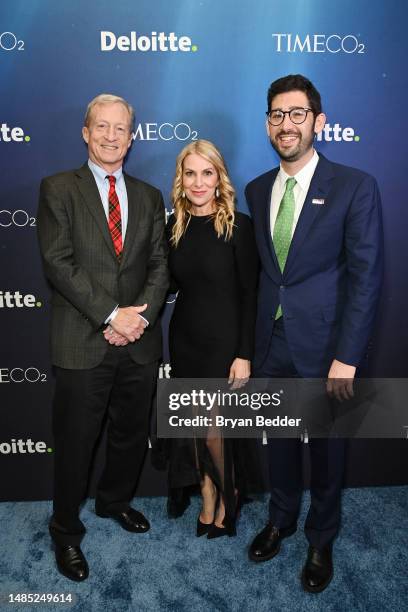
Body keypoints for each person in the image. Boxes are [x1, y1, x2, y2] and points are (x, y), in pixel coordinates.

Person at [245, 75, 383, 592]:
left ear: (318, 122)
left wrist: (348, 354)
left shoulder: (354, 185)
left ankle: (321, 537)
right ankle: (280, 518)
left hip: (329, 350)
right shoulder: (259, 189)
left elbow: (367, 276)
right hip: (271, 344)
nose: (287, 124)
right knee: (279, 441)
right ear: (267, 123)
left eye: (297, 114)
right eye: (277, 114)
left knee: (326, 449)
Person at [37, 94, 168, 581]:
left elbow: (159, 265)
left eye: (121, 129)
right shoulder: (57, 189)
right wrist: (112, 315)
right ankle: (65, 531)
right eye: (102, 127)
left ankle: (114, 501)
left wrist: (139, 319)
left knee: (130, 435)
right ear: (85, 132)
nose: (112, 136)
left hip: (138, 343)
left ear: (132, 137)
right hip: (82, 341)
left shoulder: (151, 196)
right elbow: (59, 263)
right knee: (75, 443)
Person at [165, 139, 259, 538]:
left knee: (213, 430)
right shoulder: (173, 226)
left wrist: (244, 354)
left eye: (208, 173)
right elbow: (163, 283)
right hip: (185, 338)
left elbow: (250, 295)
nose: (199, 182)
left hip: (224, 344)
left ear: (220, 178)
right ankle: (207, 496)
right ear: (181, 179)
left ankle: (229, 492)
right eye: (191, 173)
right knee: (193, 429)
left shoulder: (240, 227)